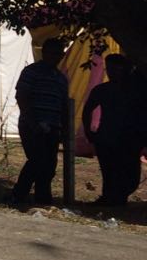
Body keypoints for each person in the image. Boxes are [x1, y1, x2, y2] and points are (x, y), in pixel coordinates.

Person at [12, 38, 69, 206]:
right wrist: (32, 122)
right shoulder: (31, 72)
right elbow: (22, 96)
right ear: (44, 53)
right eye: (51, 53)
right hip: (32, 124)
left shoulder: (61, 78)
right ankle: (18, 194)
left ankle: (42, 198)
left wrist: (64, 129)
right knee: (37, 160)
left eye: (58, 54)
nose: (55, 57)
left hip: (53, 126)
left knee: (49, 164)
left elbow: (64, 105)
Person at [83, 54, 144, 206]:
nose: (112, 72)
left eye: (116, 69)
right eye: (109, 69)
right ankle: (110, 197)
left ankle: (117, 196)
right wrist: (89, 132)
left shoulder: (134, 91)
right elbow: (87, 110)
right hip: (107, 137)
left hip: (129, 138)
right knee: (109, 171)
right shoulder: (102, 90)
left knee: (129, 173)